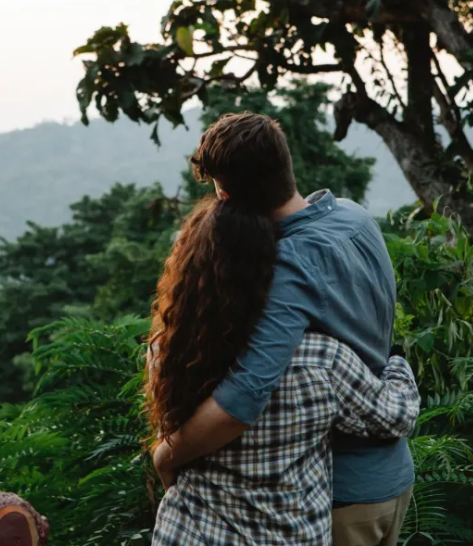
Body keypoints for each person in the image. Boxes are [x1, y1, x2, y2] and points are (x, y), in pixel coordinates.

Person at [153, 112, 416, 545]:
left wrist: (168, 455)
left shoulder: (287, 267)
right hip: (393, 474)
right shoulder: (356, 218)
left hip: (339, 493)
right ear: (284, 162)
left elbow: (243, 398)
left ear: (224, 193)